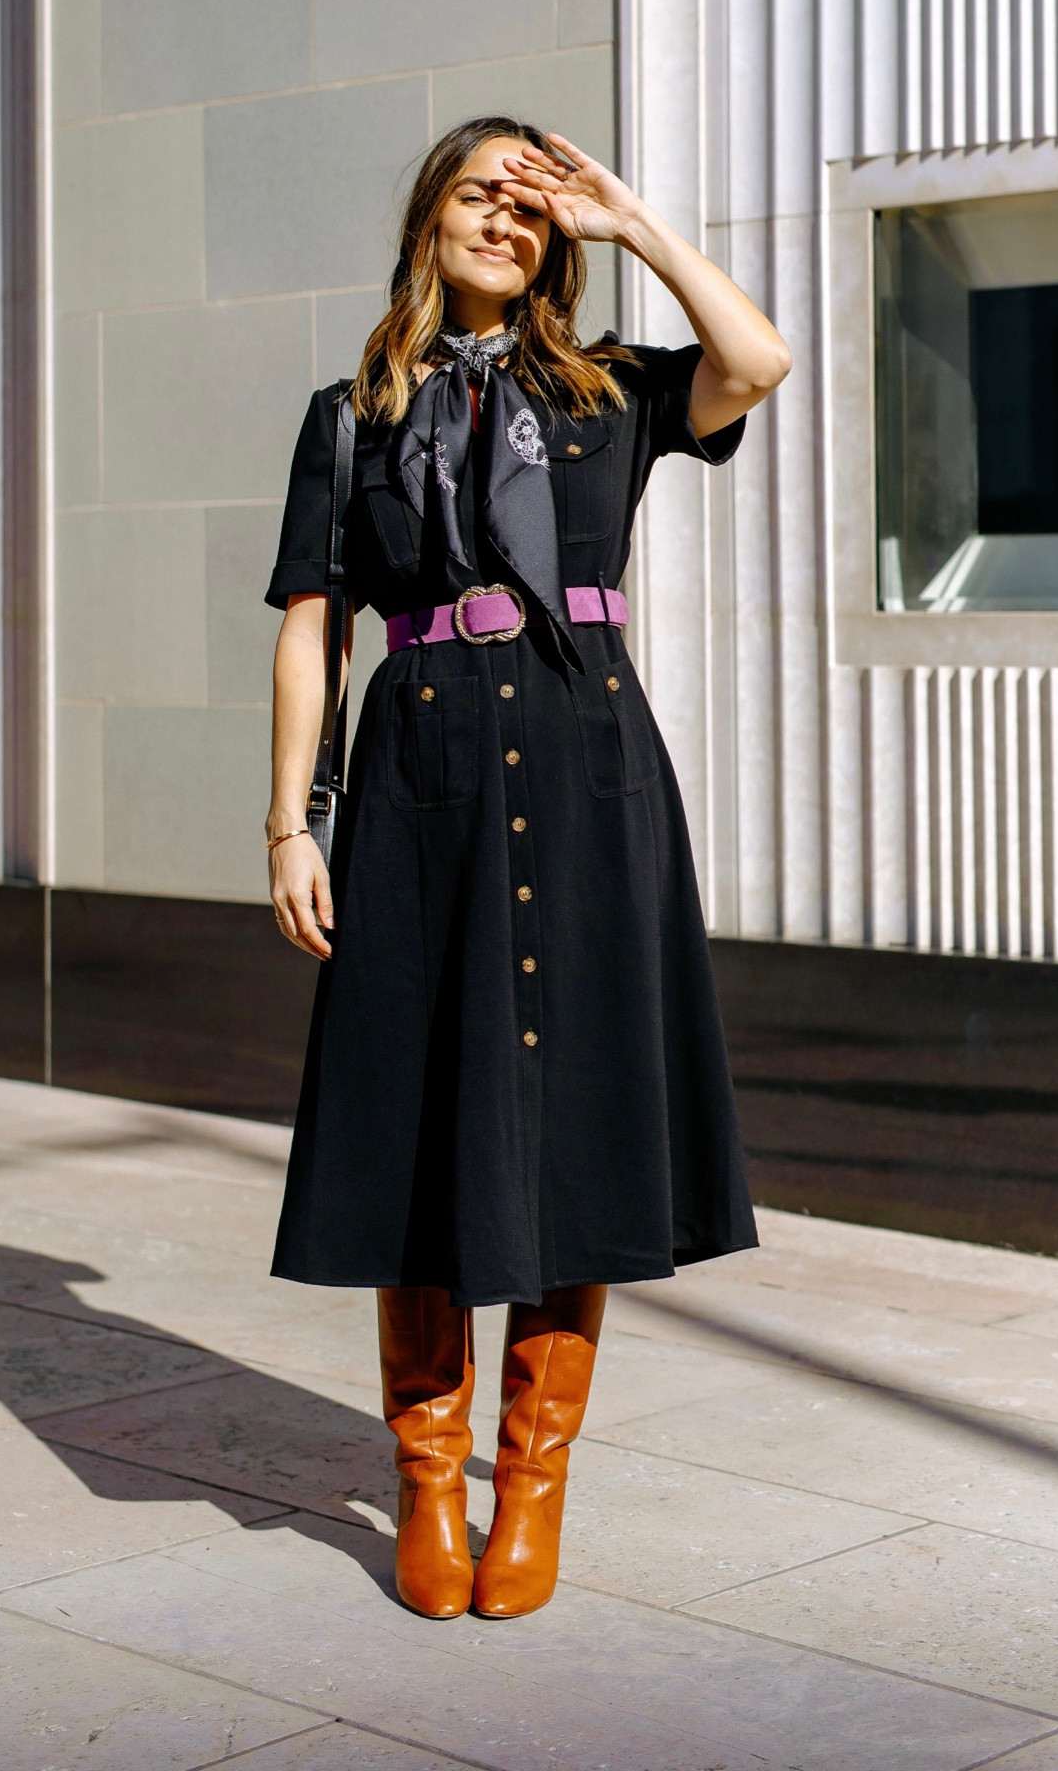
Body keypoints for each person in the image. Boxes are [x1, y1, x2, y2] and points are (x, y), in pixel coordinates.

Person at [263, 116, 791, 1620]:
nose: (506, 213)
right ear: (428, 211)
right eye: (480, 189)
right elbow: (312, 624)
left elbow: (759, 362)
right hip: (417, 771)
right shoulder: (349, 413)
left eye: (531, 198)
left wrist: (634, 221)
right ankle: (429, 1484)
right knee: (417, 1116)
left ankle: (533, 1486)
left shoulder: (610, 386)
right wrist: (294, 817)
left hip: (584, 765)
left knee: (577, 1120)